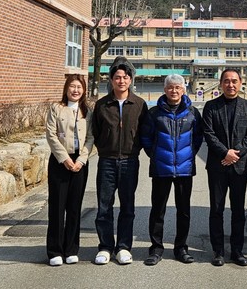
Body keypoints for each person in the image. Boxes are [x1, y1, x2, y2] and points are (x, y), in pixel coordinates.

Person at [140, 74, 203, 266]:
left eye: (177, 87)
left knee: (183, 211)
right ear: (165, 89)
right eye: (170, 87)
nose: (174, 91)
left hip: (185, 169)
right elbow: (146, 137)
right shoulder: (154, 113)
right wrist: (156, 155)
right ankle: (156, 248)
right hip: (161, 168)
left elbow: (198, 137)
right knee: (158, 210)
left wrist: (188, 154)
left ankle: (181, 248)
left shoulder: (192, 112)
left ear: (183, 89)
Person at [91, 57, 148, 265]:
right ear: (111, 80)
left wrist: (135, 148)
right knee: (104, 206)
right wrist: (105, 146)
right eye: (117, 77)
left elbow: (144, 132)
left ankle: (123, 247)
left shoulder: (139, 104)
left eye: (125, 77)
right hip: (107, 161)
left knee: (127, 207)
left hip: (130, 162)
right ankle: (105, 247)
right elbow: (95, 131)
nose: (121, 81)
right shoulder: (102, 105)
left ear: (130, 80)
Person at [202, 68, 247, 267]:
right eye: (226, 81)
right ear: (220, 84)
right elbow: (208, 134)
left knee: (238, 210)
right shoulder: (210, 106)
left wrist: (236, 154)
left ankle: (237, 251)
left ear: (240, 83)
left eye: (234, 81)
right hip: (217, 165)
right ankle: (218, 251)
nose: (230, 85)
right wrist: (225, 153)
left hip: (239, 167)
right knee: (216, 209)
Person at [45, 74, 94, 266]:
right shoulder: (56, 108)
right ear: (66, 88)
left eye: (79, 87)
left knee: (74, 207)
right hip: (60, 161)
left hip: (79, 163)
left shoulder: (87, 111)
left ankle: (71, 249)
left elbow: (91, 138)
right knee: (57, 207)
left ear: (84, 90)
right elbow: (51, 135)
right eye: (72, 86)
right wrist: (64, 158)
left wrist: (81, 160)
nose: (76, 90)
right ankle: (55, 251)